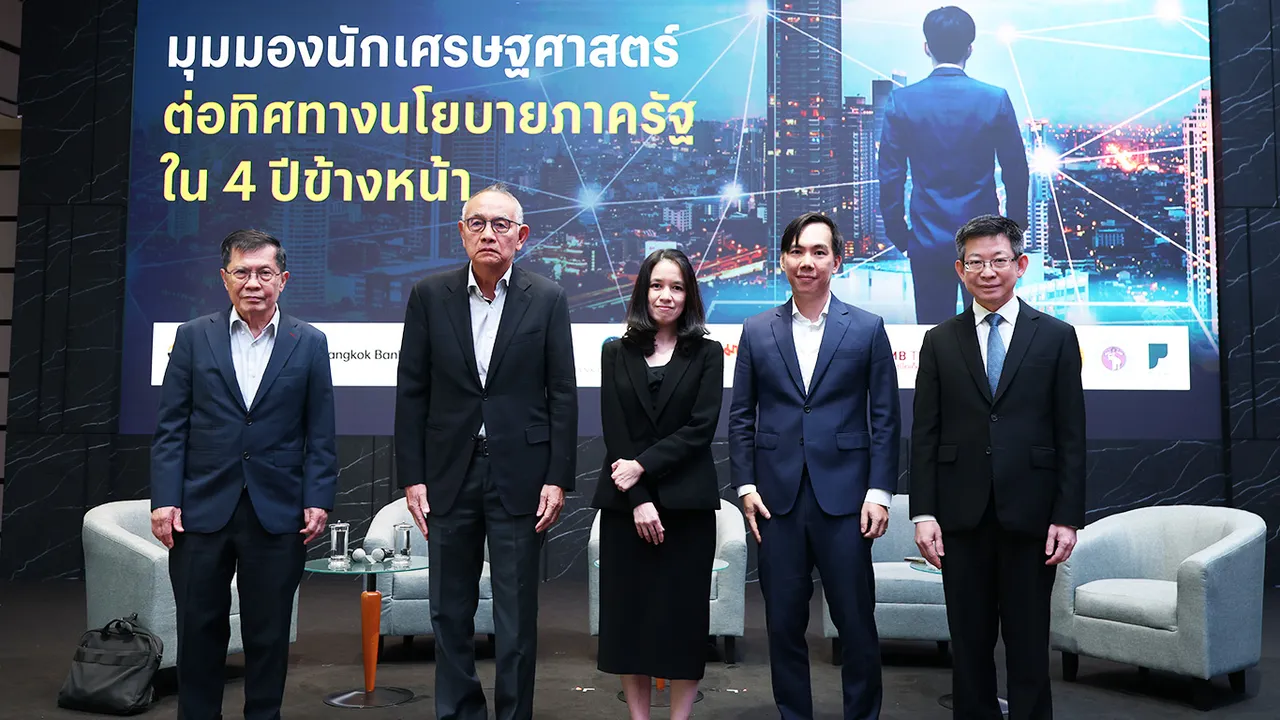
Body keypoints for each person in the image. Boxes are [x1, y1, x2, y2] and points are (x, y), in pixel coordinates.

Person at [394, 183, 578, 720]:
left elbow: (562, 393)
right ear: (461, 232)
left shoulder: (547, 297)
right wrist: (413, 477)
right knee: (448, 611)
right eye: (477, 223)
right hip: (448, 474)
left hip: (522, 475)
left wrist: (557, 478)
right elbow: (412, 392)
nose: (489, 234)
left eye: (501, 225)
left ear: (522, 236)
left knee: (516, 615)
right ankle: (460, 712)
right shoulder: (430, 295)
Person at [150, 229, 338, 720]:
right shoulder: (193, 337)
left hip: (277, 512)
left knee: (268, 633)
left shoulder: (310, 342)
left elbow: (320, 431)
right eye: (242, 272)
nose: (253, 282)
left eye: (264, 273)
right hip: (200, 510)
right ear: (224, 278)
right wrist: (164, 500)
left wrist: (318, 498)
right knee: (198, 630)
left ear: (283, 279)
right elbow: (171, 427)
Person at [910, 214, 1085, 719]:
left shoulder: (1056, 336)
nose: (988, 272)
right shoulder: (939, 340)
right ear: (960, 269)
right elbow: (925, 435)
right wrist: (924, 513)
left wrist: (1067, 516)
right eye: (976, 262)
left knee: (1029, 646)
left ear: (1020, 264)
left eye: (999, 260)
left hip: (1032, 516)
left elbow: (1071, 435)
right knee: (969, 645)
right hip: (960, 517)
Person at [729, 213, 901, 720]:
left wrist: (879, 493)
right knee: (783, 624)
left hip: (847, 499)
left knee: (856, 623)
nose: (808, 261)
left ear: (837, 262)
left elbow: (885, 418)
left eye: (819, 252)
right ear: (783, 259)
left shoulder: (867, 328)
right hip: (775, 500)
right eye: (798, 251)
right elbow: (740, 416)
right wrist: (745, 486)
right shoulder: (756, 330)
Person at [591, 249, 724, 720]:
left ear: (689, 296)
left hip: (687, 507)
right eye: (657, 285)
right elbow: (615, 431)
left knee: (683, 620)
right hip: (627, 507)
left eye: (677, 287)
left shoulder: (707, 352)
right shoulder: (615, 351)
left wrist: (642, 466)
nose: (666, 296)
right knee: (629, 621)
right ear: (643, 291)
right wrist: (639, 499)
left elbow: (700, 428)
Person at [879, 5, 1030, 324]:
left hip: (926, 240)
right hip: (985, 242)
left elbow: (891, 176)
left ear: (927, 47)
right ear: (969, 49)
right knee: (989, 334)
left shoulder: (902, 101)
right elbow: (1016, 171)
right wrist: (1014, 231)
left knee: (934, 335)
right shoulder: (994, 99)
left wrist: (901, 236)